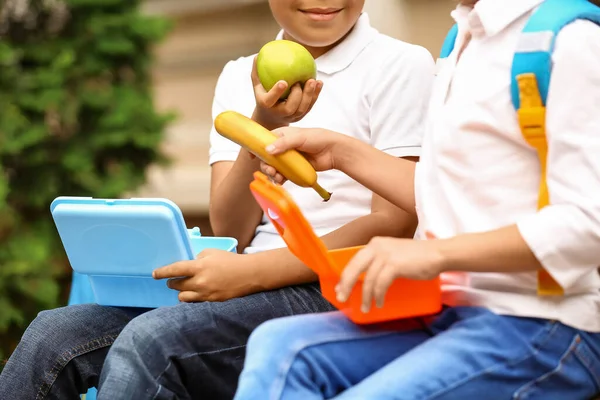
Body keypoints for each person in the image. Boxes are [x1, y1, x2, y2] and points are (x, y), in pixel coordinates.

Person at [0, 1, 435, 399]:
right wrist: (261, 122)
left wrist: (254, 272)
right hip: (244, 277)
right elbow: (231, 228)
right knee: (52, 334)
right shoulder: (239, 75)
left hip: (337, 285)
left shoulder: (401, 64)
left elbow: (396, 222)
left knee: (150, 342)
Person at [232, 0, 600, 399]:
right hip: (446, 309)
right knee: (279, 348)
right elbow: (446, 194)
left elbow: (589, 223)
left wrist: (433, 255)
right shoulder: (462, 37)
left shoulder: (570, 41)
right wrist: (340, 152)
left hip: (540, 324)